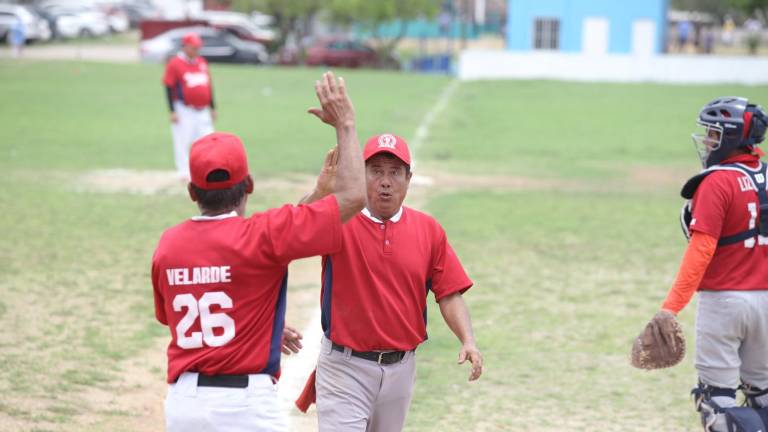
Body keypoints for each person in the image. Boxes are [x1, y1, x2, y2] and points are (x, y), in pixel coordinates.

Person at [151, 71, 366, 432]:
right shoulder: (264, 235)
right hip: (245, 405)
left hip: (183, 405)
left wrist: (252, 324)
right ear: (248, 185)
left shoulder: (168, 244)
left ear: (192, 191)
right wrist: (345, 124)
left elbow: (184, 309)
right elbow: (355, 197)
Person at [295, 133, 483, 432]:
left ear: (408, 179)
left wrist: (468, 339)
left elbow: (449, 293)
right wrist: (320, 192)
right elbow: (294, 229)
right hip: (345, 368)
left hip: (400, 370)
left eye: (395, 172)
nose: (386, 181)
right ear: (361, 175)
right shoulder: (339, 220)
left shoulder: (428, 230)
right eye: (376, 171)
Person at [657, 97, 768, 431]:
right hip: (766, 302)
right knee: (762, 396)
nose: (707, 141)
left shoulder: (716, 182)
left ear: (732, 138)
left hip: (724, 303)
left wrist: (670, 309)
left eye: (713, 134)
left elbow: (700, 251)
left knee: (717, 402)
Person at [162, 32, 216, 180]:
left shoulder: (202, 62)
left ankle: (207, 170)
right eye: (193, 47)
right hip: (184, 109)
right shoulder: (175, 63)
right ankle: (184, 172)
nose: (196, 50)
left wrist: (213, 107)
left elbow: (208, 86)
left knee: (209, 140)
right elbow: (168, 86)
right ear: (185, 47)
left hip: (203, 110)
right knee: (182, 141)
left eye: (198, 47)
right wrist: (172, 111)